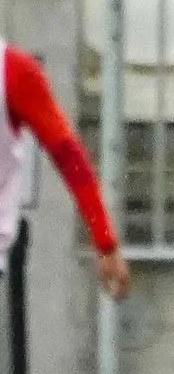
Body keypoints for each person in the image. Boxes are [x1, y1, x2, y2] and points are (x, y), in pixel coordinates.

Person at [0, 43, 129, 298]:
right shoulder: (13, 70)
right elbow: (70, 157)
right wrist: (105, 242)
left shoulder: (13, 72)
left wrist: (105, 241)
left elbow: (70, 157)